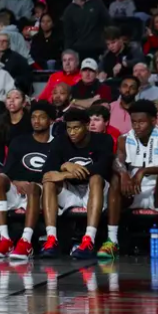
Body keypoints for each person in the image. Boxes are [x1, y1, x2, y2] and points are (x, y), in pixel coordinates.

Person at [99, 100, 158, 261]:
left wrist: (144, 170)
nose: (137, 126)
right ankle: (112, 241)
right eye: (134, 122)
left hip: (157, 193)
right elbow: (118, 161)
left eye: (141, 122)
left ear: (153, 121)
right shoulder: (124, 138)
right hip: (132, 190)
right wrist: (124, 174)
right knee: (116, 178)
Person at [39, 109, 114, 259]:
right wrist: (64, 165)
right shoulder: (60, 141)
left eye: (76, 128)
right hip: (72, 191)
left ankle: (89, 240)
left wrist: (66, 172)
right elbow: (47, 172)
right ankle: (51, 239)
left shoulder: (104, 140)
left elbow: (103, 167)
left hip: (94, 191)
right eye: (69, 128)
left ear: (87, 126)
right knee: (49, 183)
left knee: (96, 178)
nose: (72, 132)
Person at [0, 101, 55, 261]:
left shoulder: (57, 143)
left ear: (51, 121)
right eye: (33, 117)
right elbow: (7, 170)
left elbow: (52, 174)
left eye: (41, 117)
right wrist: (17, 182)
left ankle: (26, 241)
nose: (36, 121)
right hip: (17, 188)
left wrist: (28, 182)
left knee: (33, 186)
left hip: (41, 192)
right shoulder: (19, 141)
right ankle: (4, 239)